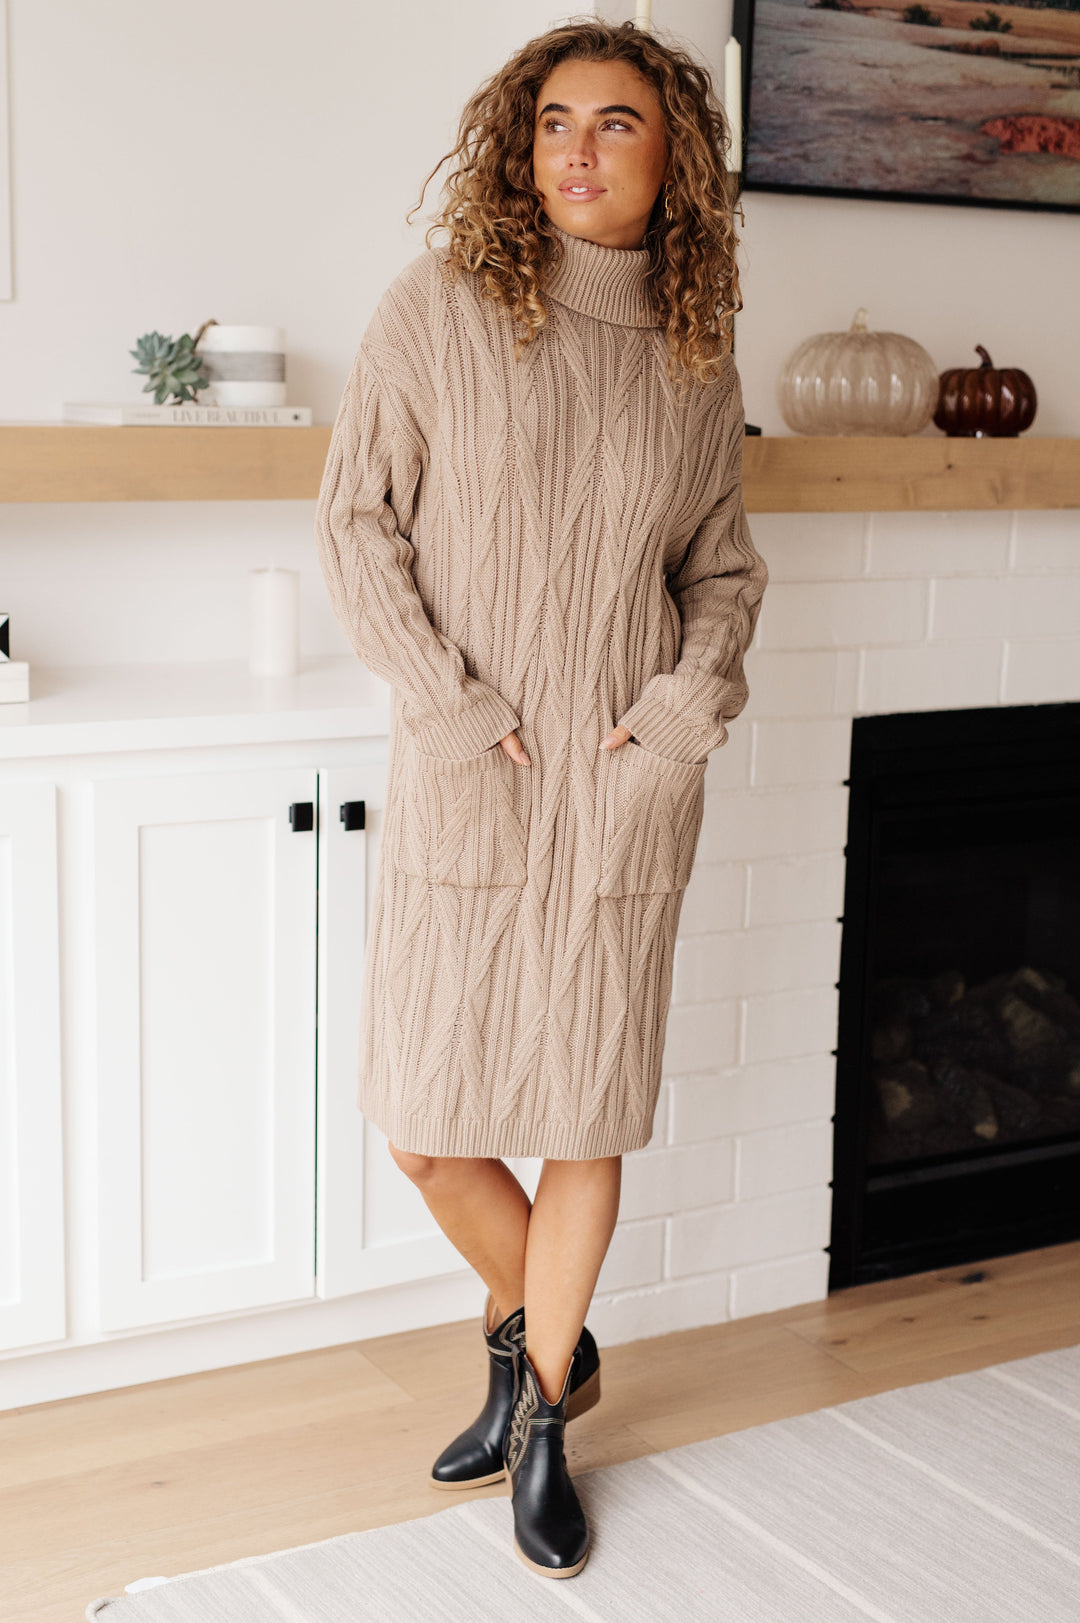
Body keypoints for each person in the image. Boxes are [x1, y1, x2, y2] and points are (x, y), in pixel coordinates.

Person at [314, 16, 768, 1581]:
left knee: (582, 1104)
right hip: (471, 767)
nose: (578, 147)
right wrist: (450, 704)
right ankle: (550, 1352)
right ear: (521, 143)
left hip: (625, 783)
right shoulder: (438, 306)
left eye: (617, 122)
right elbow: (357, 524)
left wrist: (681, 715)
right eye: (554, 119)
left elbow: (721, 573)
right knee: (426, 1127)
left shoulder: (695, 354)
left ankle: (544, 1428)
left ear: (672, 155)